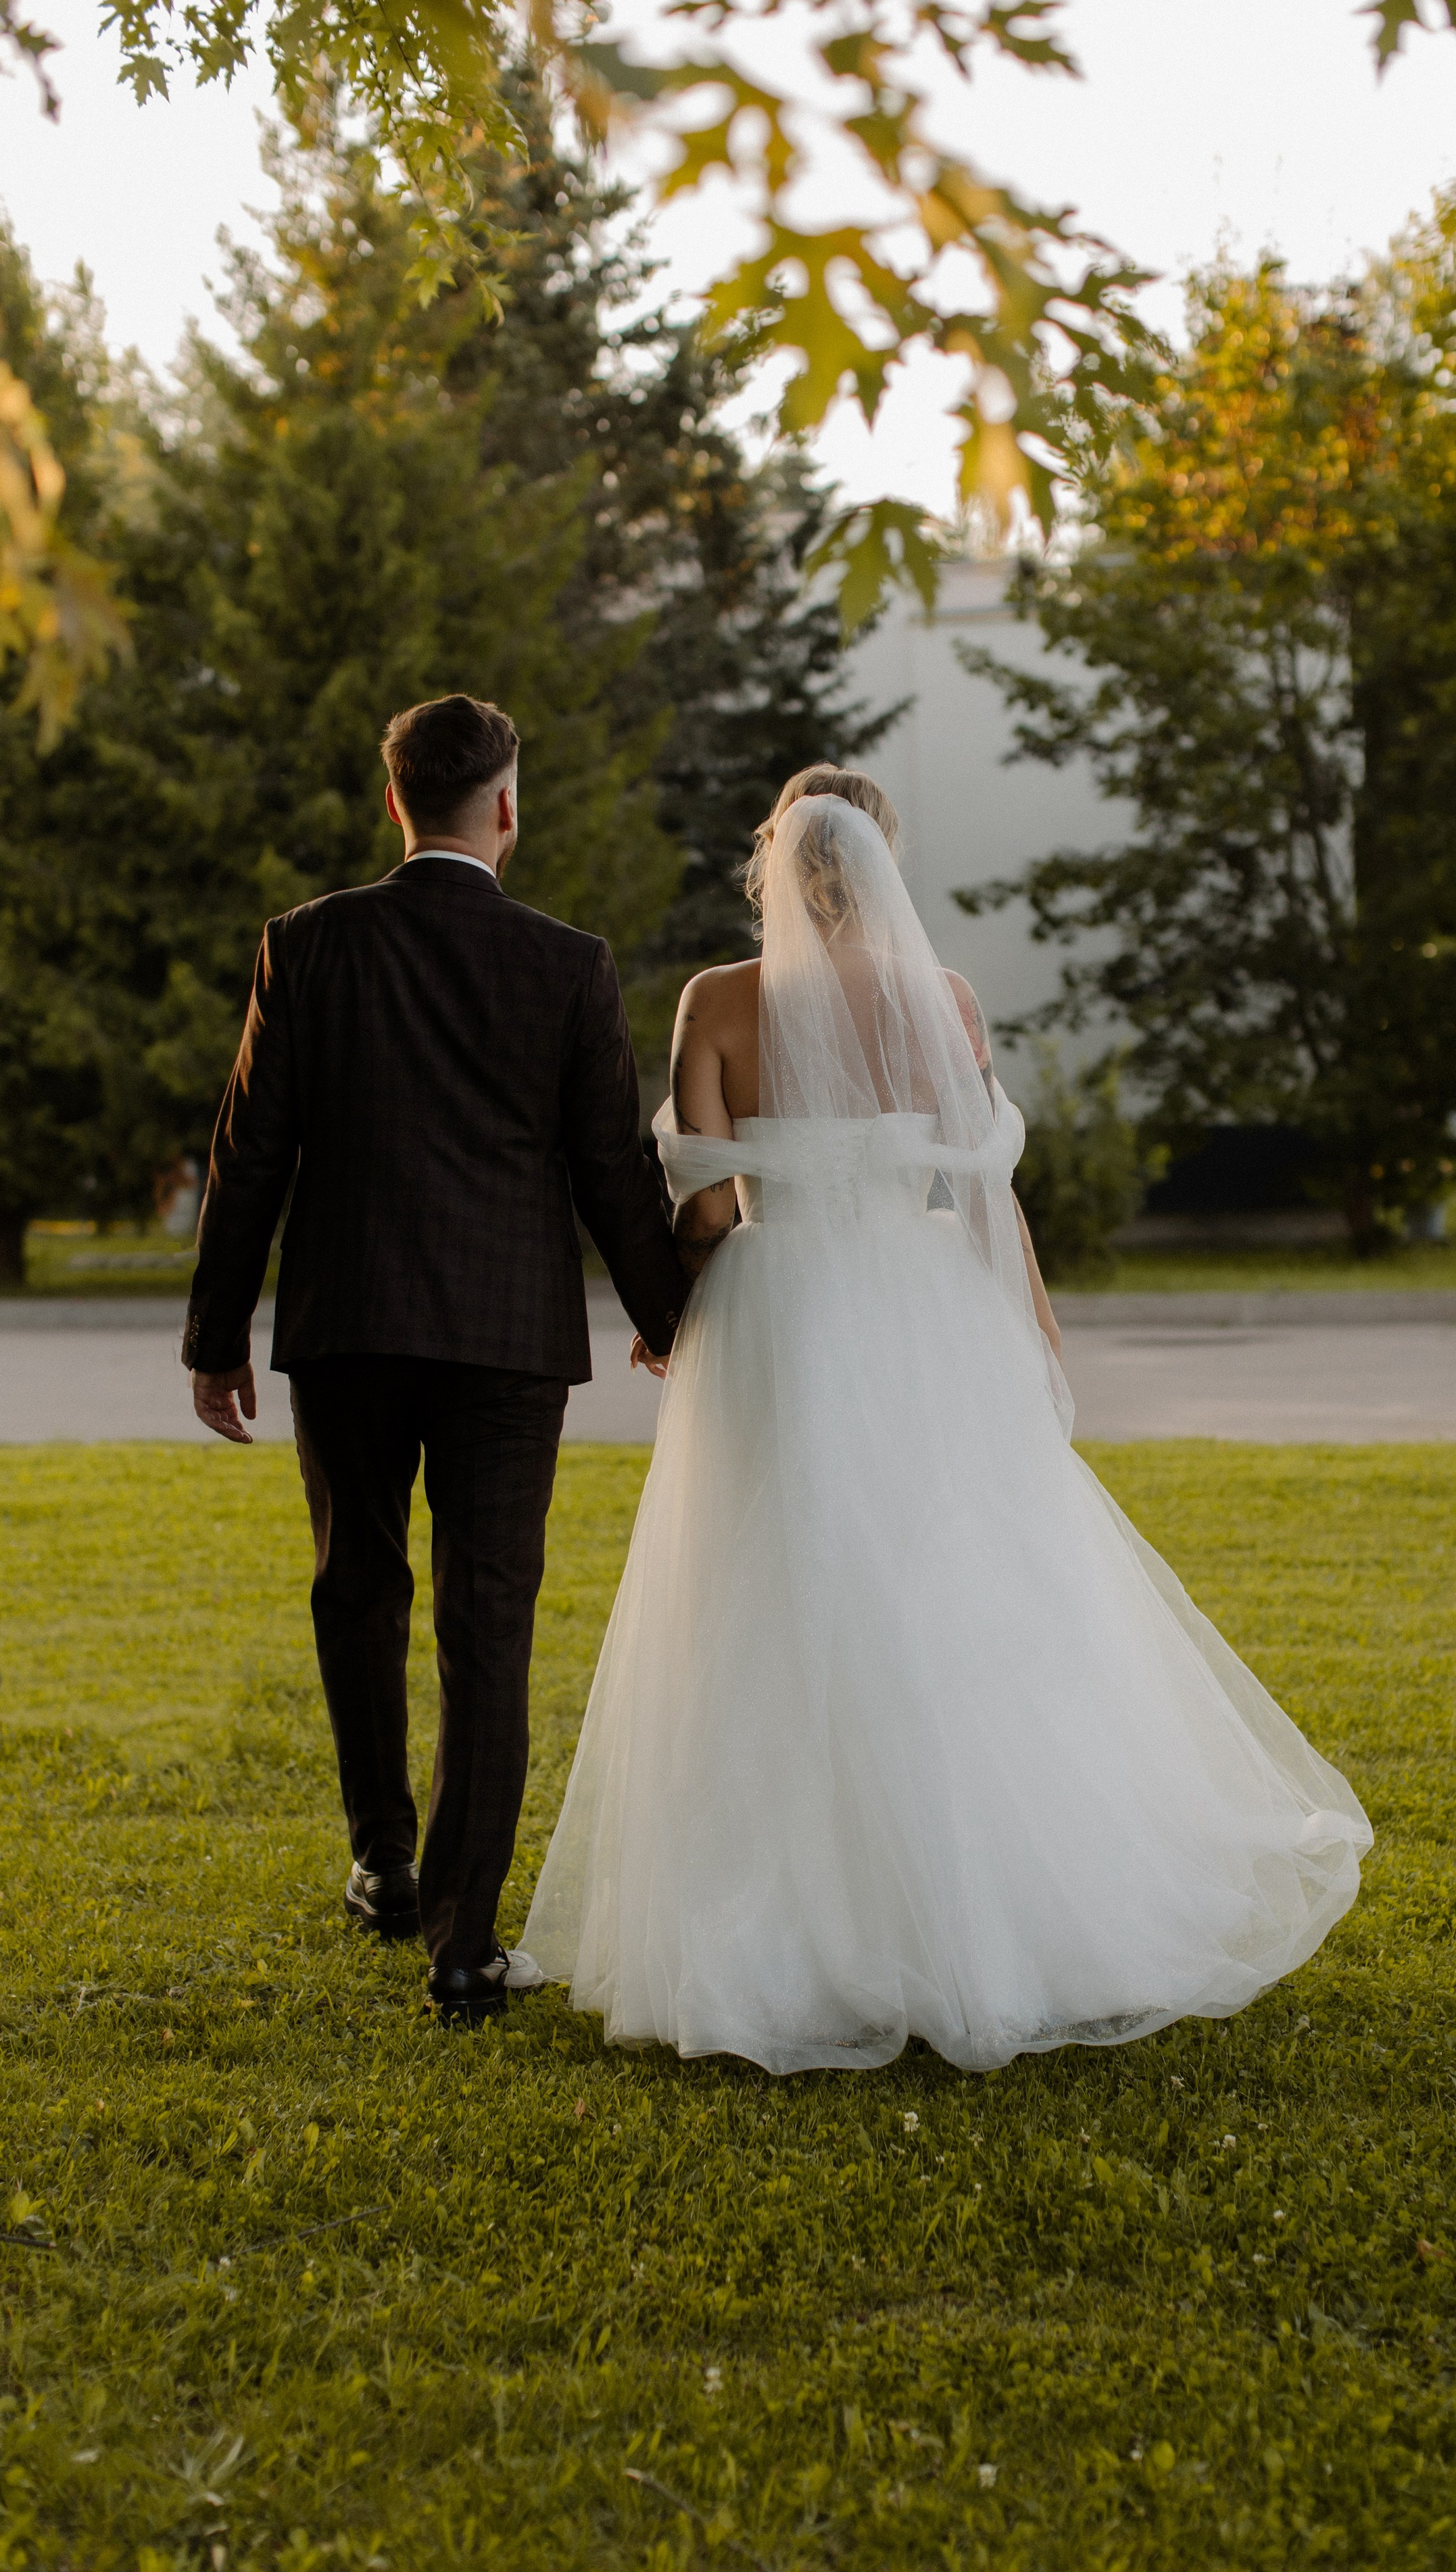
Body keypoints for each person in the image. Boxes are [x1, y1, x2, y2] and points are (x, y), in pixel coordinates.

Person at [523, 765, 1372, 2072]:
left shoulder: (717, 1002)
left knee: (768, 1598)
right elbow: (985, 1194)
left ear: (772, 859)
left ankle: (789, 1919)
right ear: (883, 856)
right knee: (954, 1591)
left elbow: (697, 1203)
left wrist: (677, 1303)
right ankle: (985, 1902)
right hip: (922, 1308)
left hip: (780, 1310)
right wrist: (1027, 1334)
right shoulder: (948, 1002)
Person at [183, 693, 687, 2024]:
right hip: (507, 1342)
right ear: (505, 804)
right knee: (488, 1626)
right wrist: (672, 1317)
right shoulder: (566, 964)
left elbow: (249, 1151)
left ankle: (382, 1860)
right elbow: (606, 1168)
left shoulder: (309, 944)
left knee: (357, 1589)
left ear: (396, 802)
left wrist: (215, 1335)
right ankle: (463, 1943)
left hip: (345, 1324)